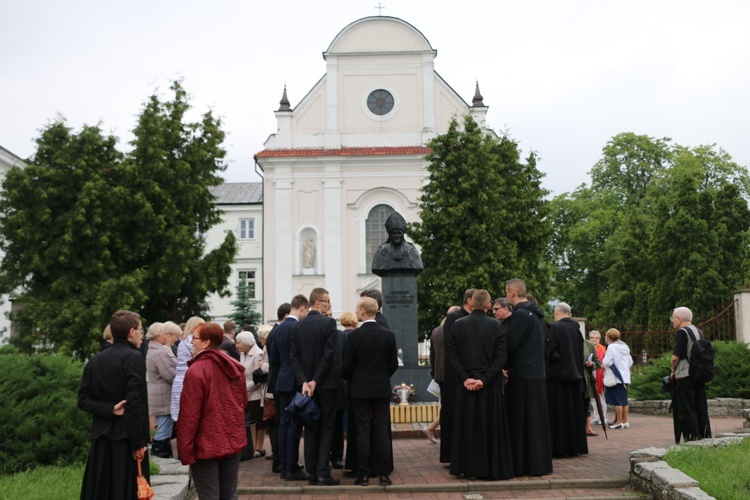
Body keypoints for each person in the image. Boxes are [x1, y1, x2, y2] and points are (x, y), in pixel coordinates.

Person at [78, 310, 150, 500]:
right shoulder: (134, 358)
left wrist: (109, 409)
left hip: (102, 440)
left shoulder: (95, 360)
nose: (142, 334)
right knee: (126, 491)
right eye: (140, 330)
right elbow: (135, 403)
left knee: (103, 491)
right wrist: (139, 443)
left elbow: (83, 400)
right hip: (126, 439)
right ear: (131, 332)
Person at [448, 289, 514, 480]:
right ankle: (490, 467)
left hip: (466, 385)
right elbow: (501, 357)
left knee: (467, 427)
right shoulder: (496, 326)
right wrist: (484, 380)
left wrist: (465, 378)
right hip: (489, 386)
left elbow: (452, 355)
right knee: (490, 428)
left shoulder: (458, 325)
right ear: (487, 305)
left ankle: (467, 467)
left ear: (471, 303)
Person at [177, 322, 247, 500]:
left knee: (209, 495)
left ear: (206, 342)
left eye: (195, 338)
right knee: (229, 494)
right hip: (231, 440)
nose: (191, 342)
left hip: (206, 444)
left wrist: (185, 451)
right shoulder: (233, 365)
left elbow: (189, 416)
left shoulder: (196, 371)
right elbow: (242, 402)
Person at [343, 296, 399, 486]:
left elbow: (347, 366)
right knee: (381, 430)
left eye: (358, 309)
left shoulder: (354, 336)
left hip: (359, 389)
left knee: (362, 431)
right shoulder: (388, 335)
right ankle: (383, 474)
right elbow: (393, 365)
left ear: (363, 312)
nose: (357, 312)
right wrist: (382, 376)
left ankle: (364, 474)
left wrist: (353, 378)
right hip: (381, 388)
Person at [290, 287, 341, 486]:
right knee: (327, 427)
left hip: (306, 387)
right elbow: (329, 354)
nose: (329, 304)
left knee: (310, 428)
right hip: (326, 384)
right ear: (318, 303)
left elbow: (294, 356)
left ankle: (312, 472)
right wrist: (315, 380)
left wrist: (305, 381)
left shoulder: (298, 326)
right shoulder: (329, 323)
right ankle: (322, 472)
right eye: (327, 300)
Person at [504, 278, 553, 477]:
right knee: (536, 421)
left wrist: (503, 366)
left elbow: (511, 344)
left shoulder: (520, 316)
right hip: (538, 373)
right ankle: (539, 464)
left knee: (521, 421)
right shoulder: (538, 315)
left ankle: (522, 464)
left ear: (512, 293)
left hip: (521, 375)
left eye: (507, 293)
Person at [269, 295, 309, 481]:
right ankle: (291, 466)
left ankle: (284, 464)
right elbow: (301, 357)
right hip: (295, 381)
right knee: (294, 424)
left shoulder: (278, 329)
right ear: (301, 308)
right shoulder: (298, 327)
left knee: (284, 423)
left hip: (282, 380)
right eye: (306, 311)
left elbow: (274, 358)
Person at [546, 302, 587, 458]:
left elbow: (551, 352)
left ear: (557, 313)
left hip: (557, 378)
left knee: (558, 416)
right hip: (575, 376)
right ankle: (574, 446)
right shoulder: (577, 331)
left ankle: (558, 447)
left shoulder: (554, 328)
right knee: (573, 414)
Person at [440, 288, 475, 463]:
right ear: (470, 300)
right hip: (455, 373)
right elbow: (450, 345)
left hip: (468, 371)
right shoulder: (455, 317)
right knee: (453, 412)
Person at [670, 307, 712, 442]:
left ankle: (692, 440)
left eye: (673, 318)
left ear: (680, 319)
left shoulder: (682, 332)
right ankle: (706, 438)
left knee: (687, 410)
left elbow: (675, 358)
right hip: (699, 374)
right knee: (701, 409)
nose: (672, 321)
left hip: (685, 375)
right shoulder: (699, 331)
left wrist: (673, 370)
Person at [425, 305, 460, 443]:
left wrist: (434, 373)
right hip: (454, 375)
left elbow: (432, 356)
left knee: (446, 407)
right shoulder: (456, 330)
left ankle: (439, 433)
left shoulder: (436, 331)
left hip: (440, 375)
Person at [145, 321, 178, 458]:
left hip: (160, 395)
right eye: (166, 333)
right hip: (163, 397)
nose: (168, 335)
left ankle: (163, 455)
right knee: (164, 430)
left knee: (164, 429)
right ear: (159, 335)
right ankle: (161, 457)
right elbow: (169, 374)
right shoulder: (159, 352)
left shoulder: (156, 349)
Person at [264, 303, 289, 474]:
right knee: (280, 421)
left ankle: (280, 459)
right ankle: (280, 460)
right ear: (287, 315)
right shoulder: (277, 332)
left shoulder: (274, 331)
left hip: (277, 380)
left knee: (280, 421)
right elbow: (276, 358)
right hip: (281, 381)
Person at [170, 316, 205, 423]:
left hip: (179, 380)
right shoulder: (193, 341)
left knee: (181, 417)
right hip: (189, 380)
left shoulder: (182, 343)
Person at [237, 330, 265, 459]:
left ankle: (259, 447)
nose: (237, 345)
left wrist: (244, 387)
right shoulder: (243, 353)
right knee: (247, 420)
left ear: (247, 343)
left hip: (255, 393)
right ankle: (250, 446)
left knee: (257, 420)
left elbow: (258, 378)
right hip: (246, 392)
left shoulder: (257, 354)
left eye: (239, 343)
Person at [371, 212, 423, 276]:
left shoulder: (411, 249)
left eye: (399, 233)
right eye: (394, 233)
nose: (397, 236)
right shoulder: (382, 249)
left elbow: (418, 266)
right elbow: (376, 267)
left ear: (403, 234)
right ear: (390, 235)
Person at [602, 328, 632, 429]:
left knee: (617, 401)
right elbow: (630, 362)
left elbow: (607, 362)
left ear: (609, 337)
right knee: (624, 400)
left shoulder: (611, 347)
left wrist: (603, 364)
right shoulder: (625, 347)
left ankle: (619, 422)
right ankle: (625, 421)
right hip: (625, 377)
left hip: (616, 377)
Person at [583, 334, 602, 436]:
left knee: (587, 405)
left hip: (585, 380)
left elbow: (598, 363)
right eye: (592, 337)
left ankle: (588, 428)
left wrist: (592, 364)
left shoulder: (588, 345)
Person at [588, 330, 608, 425]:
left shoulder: (602, 348)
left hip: (599, 374)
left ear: (599, 339)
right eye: (592, 337)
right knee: (593, 398)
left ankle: (603, 417)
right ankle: (596, 416)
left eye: (596, 338)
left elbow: (603, 362)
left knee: (600, 397)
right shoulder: (588, 347)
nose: (594, 339)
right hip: (590, 373)